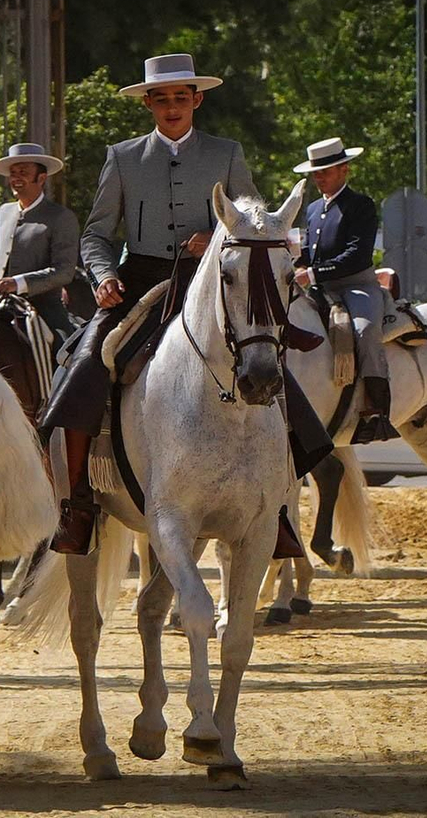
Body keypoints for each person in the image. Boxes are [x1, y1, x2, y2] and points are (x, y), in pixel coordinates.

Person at [38, 53, 331, 555]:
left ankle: (277, 506)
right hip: (139, 285)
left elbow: (253, 222)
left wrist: (215, 237)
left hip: (214, 284)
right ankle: (78, 502)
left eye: (180, 97)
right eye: (161, 99)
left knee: (270, 367)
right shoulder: (122, 157)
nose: (171, 106)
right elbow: (96, 235)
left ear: (196, 100)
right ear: (148, 104)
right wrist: (104, 275)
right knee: (85, 364)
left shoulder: (227, 153)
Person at [292, 136, 391, 442]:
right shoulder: (312, 209)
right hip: (319, 288)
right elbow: (308, 251)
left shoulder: (361, 205)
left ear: (344, 169)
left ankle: (377, 411)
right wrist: (292, 264)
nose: (319, 178)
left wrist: (312, 273)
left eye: (325, 171)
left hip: (356, 286)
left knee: (365, 330)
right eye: (316, 173)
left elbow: (357, 254)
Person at [0, 142, 81, 342]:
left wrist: (18, 283)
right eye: (13, 173)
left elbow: (64, 271)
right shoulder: (4, 212)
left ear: (41, 178)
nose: (16, 178)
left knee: (66, 351)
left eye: (23, 172)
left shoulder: (61, 217)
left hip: (43, 308)